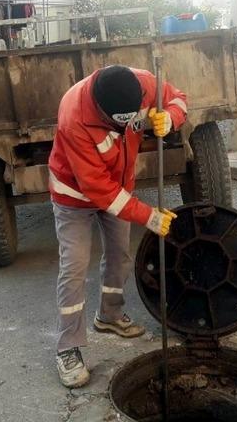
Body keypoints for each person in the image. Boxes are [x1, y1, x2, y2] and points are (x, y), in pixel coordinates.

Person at [47, 64, 188, 388]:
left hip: (118, 187)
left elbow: (178, 99)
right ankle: (68, 347)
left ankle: (109, 316)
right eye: (120, 121)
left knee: (120, 254)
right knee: (74, 266)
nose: (128, 124)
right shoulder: (75, 114)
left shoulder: (143, 83)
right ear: (102, 110)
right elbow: (96, 187)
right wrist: (148, 216)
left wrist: (169, 118)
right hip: (74, 196)